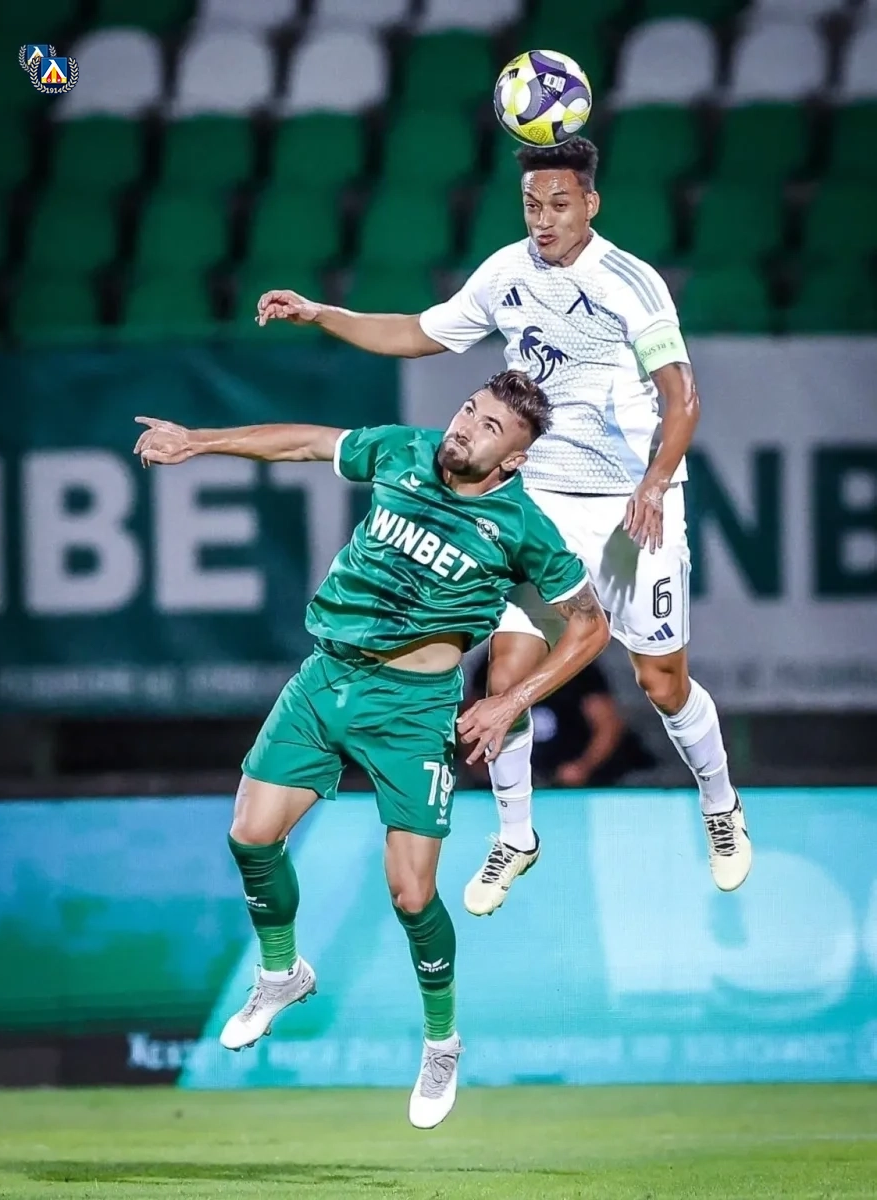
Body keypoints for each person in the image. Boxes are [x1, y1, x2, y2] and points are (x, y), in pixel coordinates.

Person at [254, 136, 752, 913]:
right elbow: (417, 333)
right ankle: (516, 836)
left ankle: (720, 805)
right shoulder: (505, 272)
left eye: (559, 204)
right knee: (506, 676)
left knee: (662, 683)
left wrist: (657, 481)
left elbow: (681, 396)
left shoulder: (631, 282)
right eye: (531, 205)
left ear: (590, 204)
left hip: (631, 506)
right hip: (542, 501)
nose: (543, 219)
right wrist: (323, 313)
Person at [132, 370, 609, 1130]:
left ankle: (442, 1043)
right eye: (469, 410)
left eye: (489, 428)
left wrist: (510, 699)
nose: (465, 427)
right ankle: (282, 973)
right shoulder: (402, 451)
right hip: (325, 678)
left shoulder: (523, 527)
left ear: (514, 459)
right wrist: (199, 442)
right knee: (250, 836)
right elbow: (305, 444)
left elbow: (590, 626)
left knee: (411, 894)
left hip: (412, 711)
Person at [465, 652, 656, 790]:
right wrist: (482, 769)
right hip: (509, 781)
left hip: (576, 782)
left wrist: (583, 767)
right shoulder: (495, 660)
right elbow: (471, 720)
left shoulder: (577, 663)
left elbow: (608, 725)